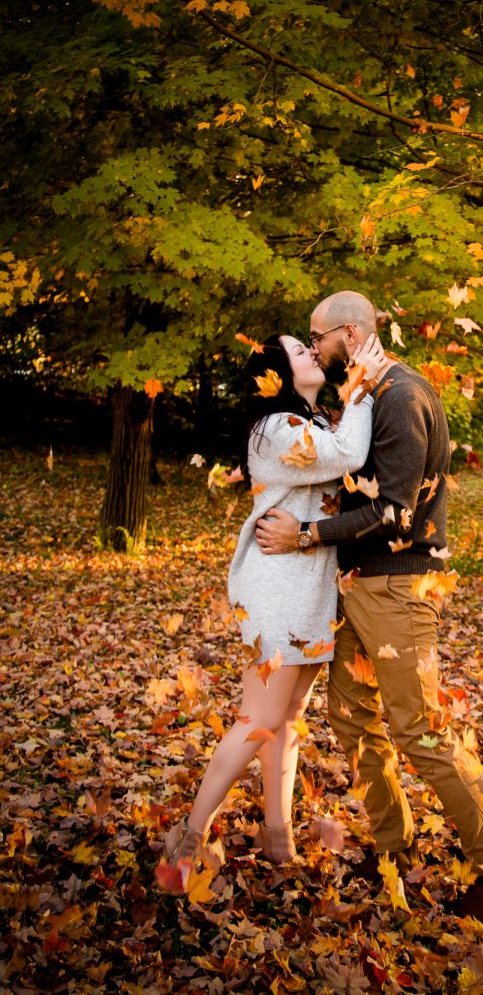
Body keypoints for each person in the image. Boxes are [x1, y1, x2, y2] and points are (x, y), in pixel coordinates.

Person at [254, 291, 483, 924]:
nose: (314, 347)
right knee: (352, 719)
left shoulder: (402, 397)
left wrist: (307, 535)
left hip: (398, 591)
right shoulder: (366, 394)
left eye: (318, 337)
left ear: (349, 335)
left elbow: (395, 513)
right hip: (359, 585)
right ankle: (393, 850)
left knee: (420, 730)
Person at [164, 331, 387, 869]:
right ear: (276, 374)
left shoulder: (314, 423)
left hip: (308, 590)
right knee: (260, 718)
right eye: (298, 350)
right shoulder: (275, 429)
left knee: (286, 718)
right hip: (278, 589)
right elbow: (349, 453)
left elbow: (344, 453)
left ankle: (277, 835)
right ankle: (189, 835)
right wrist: (362, 382)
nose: (311, 352)